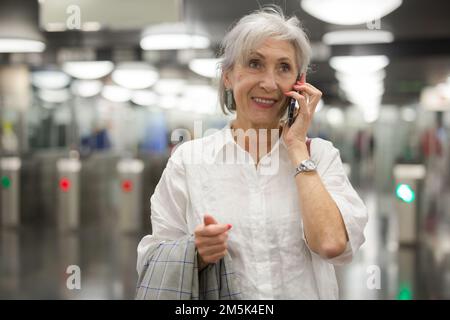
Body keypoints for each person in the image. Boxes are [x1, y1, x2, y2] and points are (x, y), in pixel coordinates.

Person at [137, 6, 368, 299]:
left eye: (283, 67)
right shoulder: (190, 161)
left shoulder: (320, 157)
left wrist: (297, 148)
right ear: (228, 76)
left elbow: (332, 244)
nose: (269, 83)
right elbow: (150, 258)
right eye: (255, 63)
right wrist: (194, 253)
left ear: (299, 82)